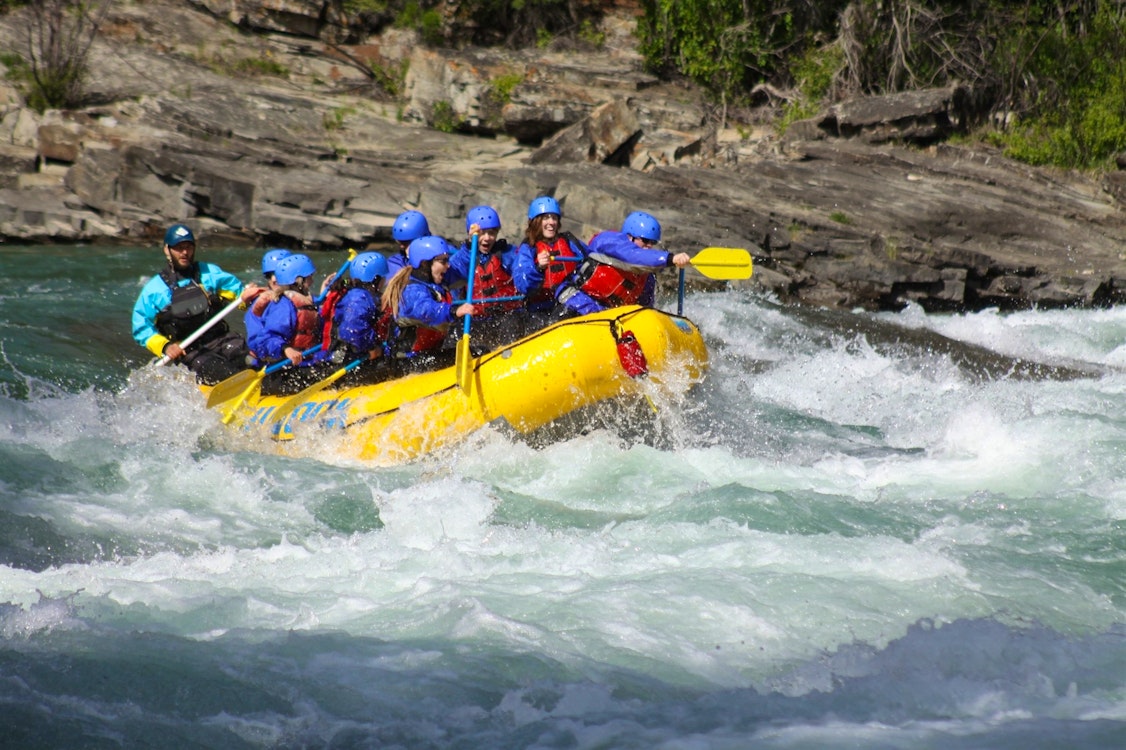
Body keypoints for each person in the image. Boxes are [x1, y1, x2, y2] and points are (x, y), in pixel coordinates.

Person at [131, 223, 261, 384]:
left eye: (188, 247)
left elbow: (239, 297)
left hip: (222, 339)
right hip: (190, 351)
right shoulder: (155, 290)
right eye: (179, 248)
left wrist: (250, 297)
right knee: (225, 373)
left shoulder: (210, 273)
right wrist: (165, 347)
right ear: (167, 250)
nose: (184, 252)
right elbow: (141, 327)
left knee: (253, 361)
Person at [554, 211, 690, 316]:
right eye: (644, 240)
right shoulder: (609, 242)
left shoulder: (645, 276)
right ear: (629, 236)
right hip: (574, 302)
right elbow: (632, 256)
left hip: (604, 315)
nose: (649, 246)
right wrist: (670, 258)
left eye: (652, 243)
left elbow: (644, 310)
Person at [381, 235, 476, 370]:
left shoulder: (434, 280)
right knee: (476, 353)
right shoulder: (411, 290)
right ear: (425, 264)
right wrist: (453, 311)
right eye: (443, 261)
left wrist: (469, 245)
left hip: (426, 354)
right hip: (407, 363)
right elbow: (425, 310)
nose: (447, 265)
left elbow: (459, 267)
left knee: (476, 350)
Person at [247, 253, 330, 395]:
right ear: (298, 280)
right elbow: (265, 339)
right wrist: (286, 349)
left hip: (305, 365)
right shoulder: (283, 306)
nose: (312, 281)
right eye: (309, 277)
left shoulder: (306, 302)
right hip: (283, 372)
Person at [449, 205, 525, 351]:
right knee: (455, 332)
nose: (487, 238)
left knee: (511, 324)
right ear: (471, 234)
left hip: (506, 317)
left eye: (491, 233)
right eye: (482, 233)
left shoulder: (507, 254)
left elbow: (523, 272)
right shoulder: (463, 258)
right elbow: (452, 279)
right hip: (475, 321)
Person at [512, 195, 586, 328]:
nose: (551, 222)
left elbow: (589, 263)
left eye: (554, 217)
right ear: (535, 221)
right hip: (540, 310)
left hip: (571, 303)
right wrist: (538, 267)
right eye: (546, 218)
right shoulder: (528, 249)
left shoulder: (569, 241)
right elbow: (522, 285)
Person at [245, 248, 291, 353]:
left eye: (279, 273)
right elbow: (257, 343)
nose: (274, 279)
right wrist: (284, 349)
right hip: (276, 361)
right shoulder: (259, 306)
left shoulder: (308, 300)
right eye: (269, 275)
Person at [386, 209, 431, 276]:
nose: (401, 246)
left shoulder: (443, 257)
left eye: (406, 242)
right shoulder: (394, 262)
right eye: (399, 242)